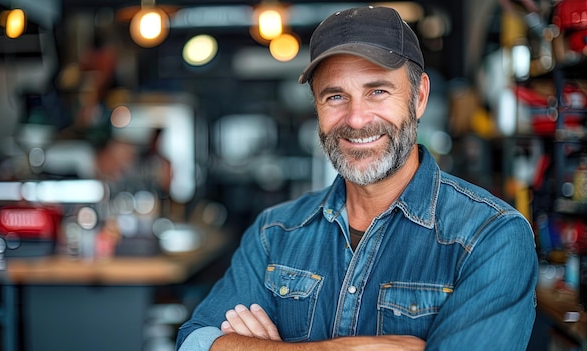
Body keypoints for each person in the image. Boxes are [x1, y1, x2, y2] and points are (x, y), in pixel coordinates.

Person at [177, 6, 537, 351]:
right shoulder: (275, 233)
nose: (357, 119)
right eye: (335, 96)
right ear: (316, 107)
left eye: (377, 91)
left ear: (420, 96)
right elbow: (196, 342)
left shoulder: (492, 236)